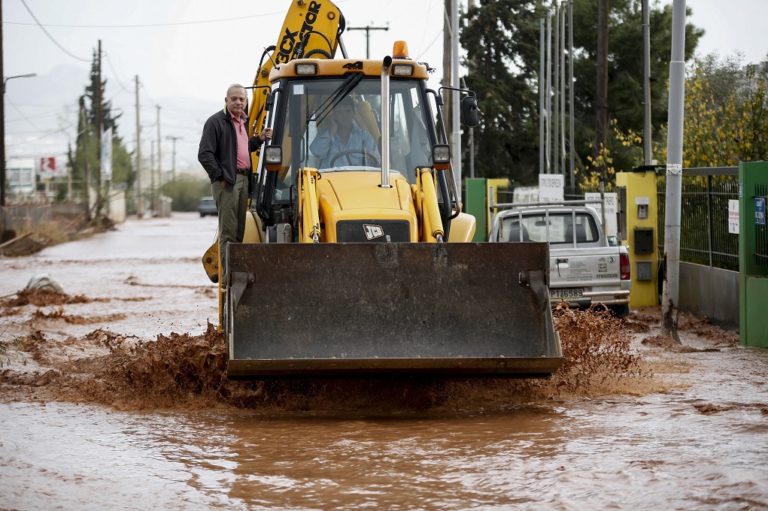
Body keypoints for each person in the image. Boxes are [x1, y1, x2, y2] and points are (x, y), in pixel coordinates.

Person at [198, 83, 271, 260]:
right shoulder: (215, 122)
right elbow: (204, 154)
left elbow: (241, 149)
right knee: (229, 233)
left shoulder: (243, 123)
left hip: (244, 180)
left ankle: (237, 272)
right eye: (234, 99)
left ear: (246, 101)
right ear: (226, 100)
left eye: (242, 99)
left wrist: (259, 139)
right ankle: (228, 278)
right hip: (227, 182)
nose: (238, 102)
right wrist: (220, 176)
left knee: (240, 231)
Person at [310, 96, 379, 169]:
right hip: (330, 179)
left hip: (357, 179)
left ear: (354, 113)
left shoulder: (364, 136)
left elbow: (376, 160)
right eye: (340, 112)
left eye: (348, 111)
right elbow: (316, 152)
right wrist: (331, 132)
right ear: (334, 115)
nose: (344, 116)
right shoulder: (325, 134)